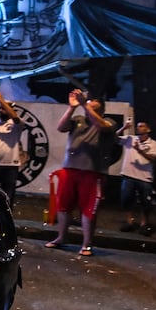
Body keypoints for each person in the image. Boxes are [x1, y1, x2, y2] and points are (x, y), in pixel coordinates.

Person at [44, 88, 117, 256]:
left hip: (92, 171)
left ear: (103, 110)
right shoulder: (78, 119)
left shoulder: (110, 122)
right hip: (70, 168)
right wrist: (72, 107)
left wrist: (85, 105)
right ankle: (61, 237)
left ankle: (86, 244)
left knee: (88, 209)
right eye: (89, 105)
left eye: (95, 107)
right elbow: (61, 127)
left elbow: (100, 125)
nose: (89, 109)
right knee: (63, 206)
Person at [117, 119, 156, 234]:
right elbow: (113, 138)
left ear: (148, 129)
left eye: (141, 126)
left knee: (145, 202)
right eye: (137, 126)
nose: (138, 128)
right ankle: (129, 222)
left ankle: (144, 223)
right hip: (128, 175)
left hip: (144, 177)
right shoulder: (130, 139)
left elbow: (153, 158)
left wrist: (139, 150)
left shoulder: (154, 144)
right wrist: (124, 128)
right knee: (127, 199)